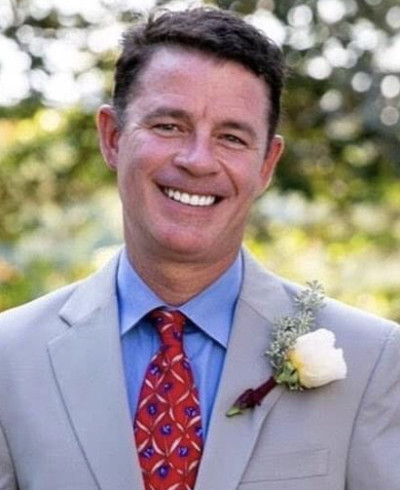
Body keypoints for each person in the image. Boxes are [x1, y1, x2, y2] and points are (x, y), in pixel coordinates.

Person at [0, 7, 399, 490]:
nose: (197, 160)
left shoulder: (371, 359)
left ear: (266, 164)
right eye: (169, 126)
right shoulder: (10, 358)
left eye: (231, 137)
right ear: (112, 137)